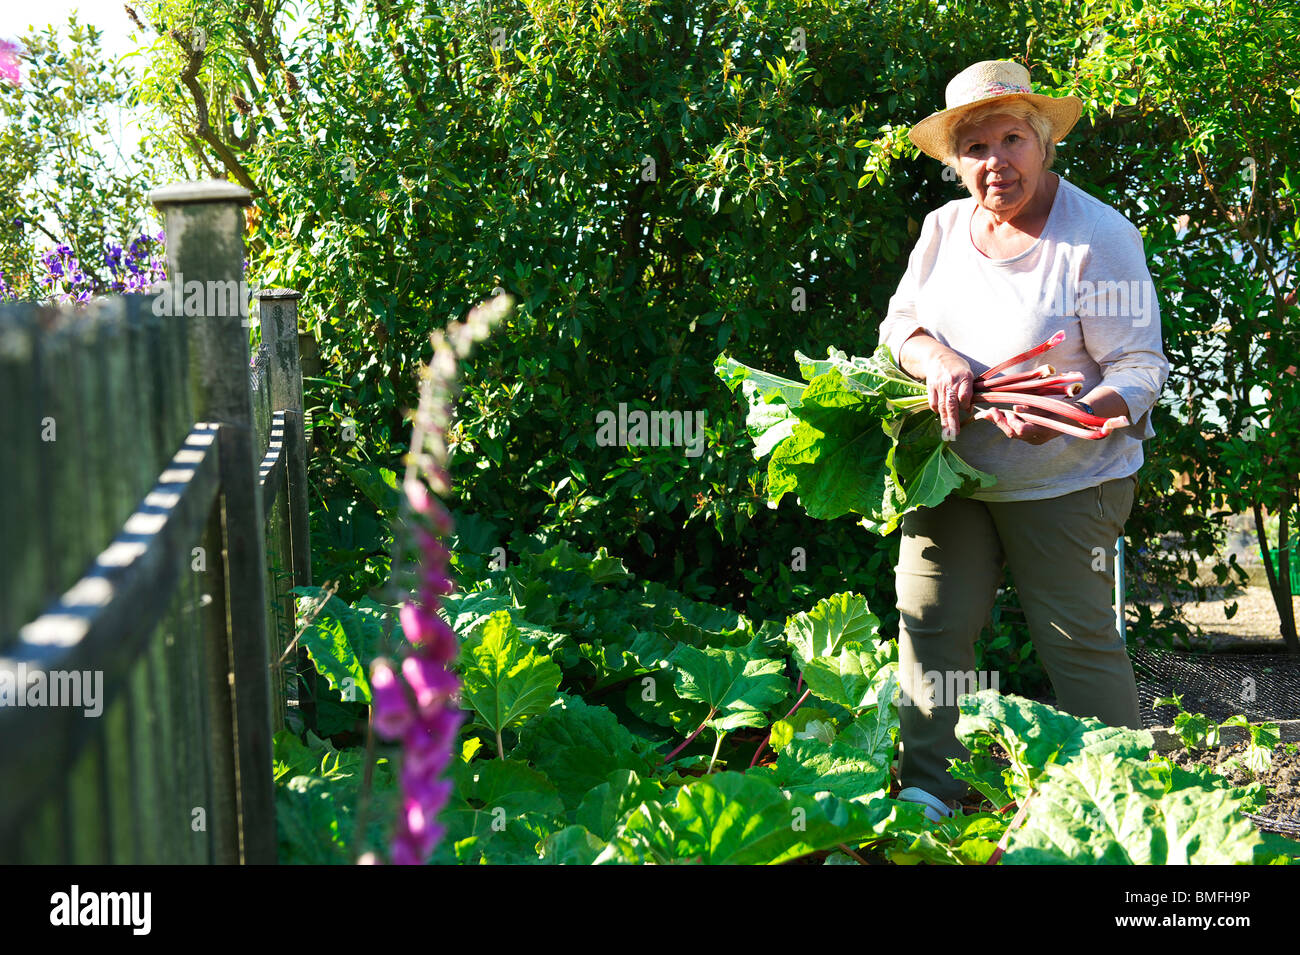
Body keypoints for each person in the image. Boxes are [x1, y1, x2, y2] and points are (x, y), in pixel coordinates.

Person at [877, 59, 1170, 822]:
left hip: (1070, 477)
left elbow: (1139, 367)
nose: (995, 161)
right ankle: (931, 791)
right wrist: (936, 358)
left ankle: (1123, 804)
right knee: (931, 623)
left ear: (1043, 143)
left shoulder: (1096, 237)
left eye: (1012, 139)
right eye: (975, 148)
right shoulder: (944, 229)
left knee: (1076, 642)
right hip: (955, 472)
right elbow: (899, 327)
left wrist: (1067, 413)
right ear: (957, 161)